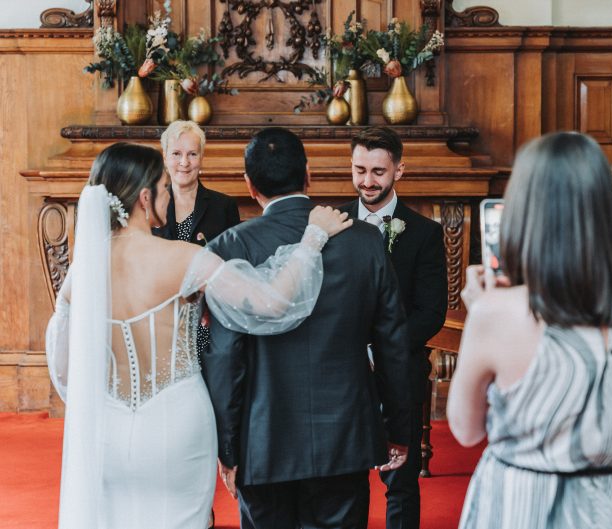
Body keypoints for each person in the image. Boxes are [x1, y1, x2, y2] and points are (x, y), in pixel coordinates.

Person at [44, 142, 352, 529]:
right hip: (178, 424)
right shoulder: (182, 258)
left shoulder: (80, 273)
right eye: (163, 186)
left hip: (108, 429)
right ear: (143, 198)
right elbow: (272, 303)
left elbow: (65, 371)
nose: (169, 195)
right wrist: (312, 239)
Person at [448, 132, 612, 529]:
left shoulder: (498, 312)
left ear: (523, 210)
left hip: (526, 507)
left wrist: (481, 314)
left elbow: (466, 430)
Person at [205, 127, 412, 529]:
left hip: (263, 441)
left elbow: (225, 358)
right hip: (345, 436)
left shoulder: (228, 248)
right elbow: (393, 344)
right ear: (308, 175)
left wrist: (227, 448)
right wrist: (398, 428)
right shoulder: (365, 242)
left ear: (249, 185)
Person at [339, 126, 447, 529]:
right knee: (346, 480)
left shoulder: (424, 233)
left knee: (401, 481)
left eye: (378, 172)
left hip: (401, 370)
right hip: (345, 372)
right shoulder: (334, 225)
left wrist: (382, 348)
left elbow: (430, 312)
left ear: (399, 170)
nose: (367, 181)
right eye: (360, 169)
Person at [154, 120, 240, 529]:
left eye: (192, 153)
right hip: (163, 326)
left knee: (205, 413)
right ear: (165, 157)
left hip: (208, 326)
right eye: (177, 153)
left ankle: (203, 508)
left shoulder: (222, 206)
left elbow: (233, 269)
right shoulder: (149, 205)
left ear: (202, 158)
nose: (184, 162)